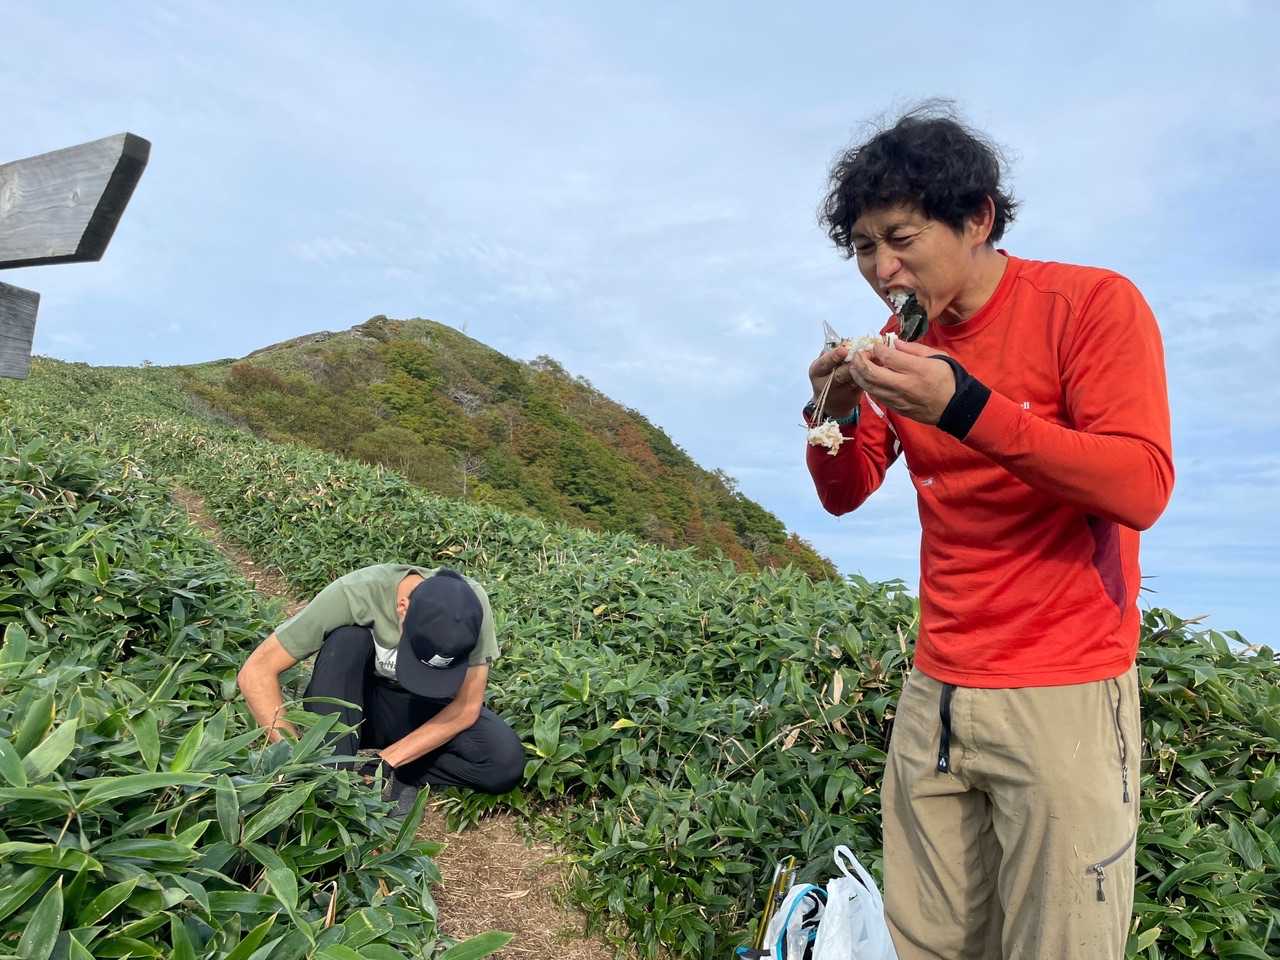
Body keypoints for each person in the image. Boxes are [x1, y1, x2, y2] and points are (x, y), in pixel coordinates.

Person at [804, 103, 1173, 959]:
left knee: (1059, 942)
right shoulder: (898, 343)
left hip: (1062, 686)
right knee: (926, 940)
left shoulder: (1090, 305)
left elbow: (1141, 485)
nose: (882, 269)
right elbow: (846, 491)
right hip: (936, 687)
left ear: (978, 219)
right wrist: (834, 409)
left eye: (901, 238)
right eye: (863, 246)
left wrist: (965, 406)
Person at [237, 564, 525, 813]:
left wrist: (387, 761)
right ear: (403, 608)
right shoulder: (355, 593)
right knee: (347, 640)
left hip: (417, 709)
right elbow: (256, 672)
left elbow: (466, 706)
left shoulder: (470, 607)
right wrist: (297, 756)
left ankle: (404, 772)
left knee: (503, 763)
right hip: (353, 706)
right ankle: (328, 772)